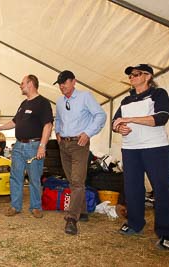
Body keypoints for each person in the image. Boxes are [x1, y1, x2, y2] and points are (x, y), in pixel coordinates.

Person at [112, 64, 169, 250]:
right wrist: (120, 127)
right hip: (130, 150)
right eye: (130, 75)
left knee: (161, 189)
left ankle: (168, 233)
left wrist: (130, 119)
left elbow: (161, 117)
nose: (131, 78)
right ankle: (134, 223)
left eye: (136, 74)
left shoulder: (158, 94)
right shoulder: (126, 100)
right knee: (132, 188)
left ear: (147, 76)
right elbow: (116, 122)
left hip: (156, 149)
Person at [54, 70, 106, 235]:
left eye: (65, 82)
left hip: (79, 144)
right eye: (60, 83)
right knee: (73, 181)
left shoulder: (85, 97)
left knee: (76, 181)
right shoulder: (60, 101)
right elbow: (58, 119)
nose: (62, 86)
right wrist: (57, 133)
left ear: (73, 81)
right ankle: (82, 211)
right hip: (64, 144)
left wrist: (88, 133)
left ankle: (72, 218)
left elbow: (100, 115)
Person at [0, 74, 53, 218]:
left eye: (22, 83)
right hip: (18, 146)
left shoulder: (43, 103)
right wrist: (0, 128)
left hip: (34, 146)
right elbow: (15, 122)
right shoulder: (23, 104)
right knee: (15, 177)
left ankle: (35, 207)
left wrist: (42, 146)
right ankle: (15, 206)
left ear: (30, 83)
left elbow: (48, 125)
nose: (20, 85)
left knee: (34, 178)